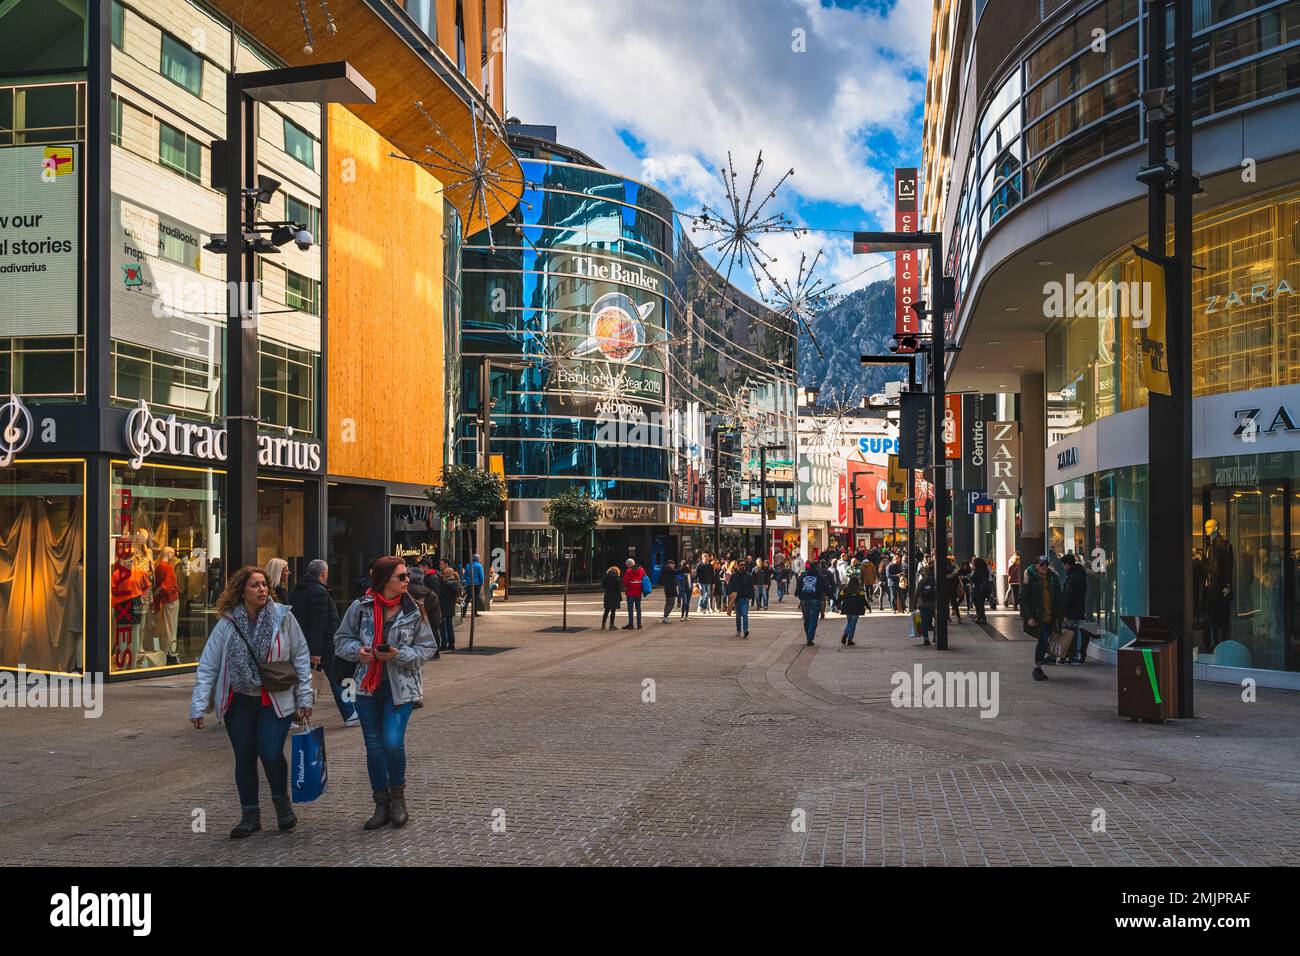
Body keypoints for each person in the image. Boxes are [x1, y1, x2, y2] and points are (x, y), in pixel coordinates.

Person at [189, 565, 314, 839]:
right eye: (255, 585)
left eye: (264, 584)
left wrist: (305, 697)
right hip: (239, 701)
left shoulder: (284, 618)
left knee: (270, 752)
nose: (262, 589)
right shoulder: (227, 623)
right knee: (244, 757)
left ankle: (282, 806)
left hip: (275, 699)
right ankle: (250, 815)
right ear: (240, 591)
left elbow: (301, 658)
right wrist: (198, 704)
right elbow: (209, 664)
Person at [334, 557, 438, 830]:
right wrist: (359, 651)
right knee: (374, 747)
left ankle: (398, 799)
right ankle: (381, 804)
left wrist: (398, 654)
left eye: (407, 577)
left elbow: (428, 649)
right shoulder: (361, 607)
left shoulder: (414, 610)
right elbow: (341, 640)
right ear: (384, 580)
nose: (408, 581)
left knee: (392, 742)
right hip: (368, 687)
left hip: (401, 688)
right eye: (401, 577)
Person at [289, 559, 357, 726]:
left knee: (302, 680)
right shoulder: (318, 592)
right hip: (324, 646)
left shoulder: (299, 589)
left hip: (305, 643)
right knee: (338, 678)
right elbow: (318, 624)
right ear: (323, 574)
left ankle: (292, 716)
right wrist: (316, 652)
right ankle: (350, 713)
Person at [1021, 554, 1063, 681]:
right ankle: (1037, 667)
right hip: (1039, 616)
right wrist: (1028, 616)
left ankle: (1039, 667)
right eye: (1041, 564)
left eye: (1046, 564)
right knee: (1043, 640)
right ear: (1036, 566)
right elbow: (1023, 599)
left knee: (1045, 642)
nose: (1044, 567)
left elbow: (1058, 598)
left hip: (1051, 616)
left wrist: (1061, 615)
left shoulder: (1052, 578)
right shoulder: (1030, 579)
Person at [794, 560, 833, 646]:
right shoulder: (819, 577)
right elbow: (826, 589)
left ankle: (808, 635)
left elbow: (798, 586)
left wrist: (798, 594)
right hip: (815, 599)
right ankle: (809, 638)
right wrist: (834, 598)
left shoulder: (803, 576)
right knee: (813, 620)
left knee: (806, 620)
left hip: (804, 600)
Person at [153, 546, 181, 664]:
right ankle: (171, 650)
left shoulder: (158, 567)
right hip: (171, 599)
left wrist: (159, 590)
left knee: (166, 626)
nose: (173, 556)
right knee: (171, 626)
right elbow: (169, 584)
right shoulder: (168, 568)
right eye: (172, 553)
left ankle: (167, 649)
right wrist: (160, 589)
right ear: (169, 554)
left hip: (164, 600)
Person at [1060, 553, 1088, 664]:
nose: (1063, 567)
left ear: (1067, 564)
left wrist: (1064, 612)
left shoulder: (1073, 577)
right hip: (1077, 609)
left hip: (1072, 610)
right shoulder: (1078, 574)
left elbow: (1068, 596)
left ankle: (1074, 654)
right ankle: (1072, 654)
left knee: (1072, 632)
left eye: (1064, 565)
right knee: (1074, 631)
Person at [436, 561, 462, 651]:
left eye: (443, 573)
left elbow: (440, 594)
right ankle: (451, 643)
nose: (442, 574)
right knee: (449, 625)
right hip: (451, 607)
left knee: (443, 627)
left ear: (446, 574)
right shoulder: (456, 583)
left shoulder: (445, 584)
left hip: (443, 606)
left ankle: (444, 644)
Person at [837, 576, 867, 646]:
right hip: (856, 609)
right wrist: (867, 606)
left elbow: (840, 598)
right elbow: (863, 600)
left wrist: (836, 604)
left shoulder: (844, 589)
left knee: (849, 623)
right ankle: (850, 639)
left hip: (847, 609)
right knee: (852, 625)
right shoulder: (860, 590)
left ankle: (845, 634)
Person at [728, 559, 755, 639]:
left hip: (745, 598)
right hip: (736, 598)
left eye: (744, 565)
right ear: (738, 566)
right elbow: (729, 585)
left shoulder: (748, 575)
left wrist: (749, 596)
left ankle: (745, 630)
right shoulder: (733, 575)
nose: (743, 566)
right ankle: (738, 630)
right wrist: (730, 593)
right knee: (738, 616)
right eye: (741, 565)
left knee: (745, 614)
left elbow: (751, 587)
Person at [622, 558, 648, 630]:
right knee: (638, 608)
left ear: (628, 564)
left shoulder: (629, 570)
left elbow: (626, 581)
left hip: (630, 591)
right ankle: (639, 624)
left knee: (630, 609)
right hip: (638, 590)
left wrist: (624, 586)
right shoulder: (641, 569)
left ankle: (631, 625)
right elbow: (644, 578)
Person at [601, 565, 623, 629]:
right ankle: (611, 625)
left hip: (607, 595)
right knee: (613, 610)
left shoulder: (605, 577)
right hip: (615, 595)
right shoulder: (617, 578)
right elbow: (619, 588)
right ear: (616, 571)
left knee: (606, 610)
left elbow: (602, 586)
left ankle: (603, 624)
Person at [971, 555, 991, 624]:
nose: (973, 563)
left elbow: (973, 579)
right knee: (981, 604)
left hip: (977, 589)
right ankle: (983, 618)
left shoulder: (976, 571)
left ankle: (979, 617)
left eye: (974, 562)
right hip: (984, 589)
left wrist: (969, 576)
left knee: (977, 604)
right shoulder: (985, 570)